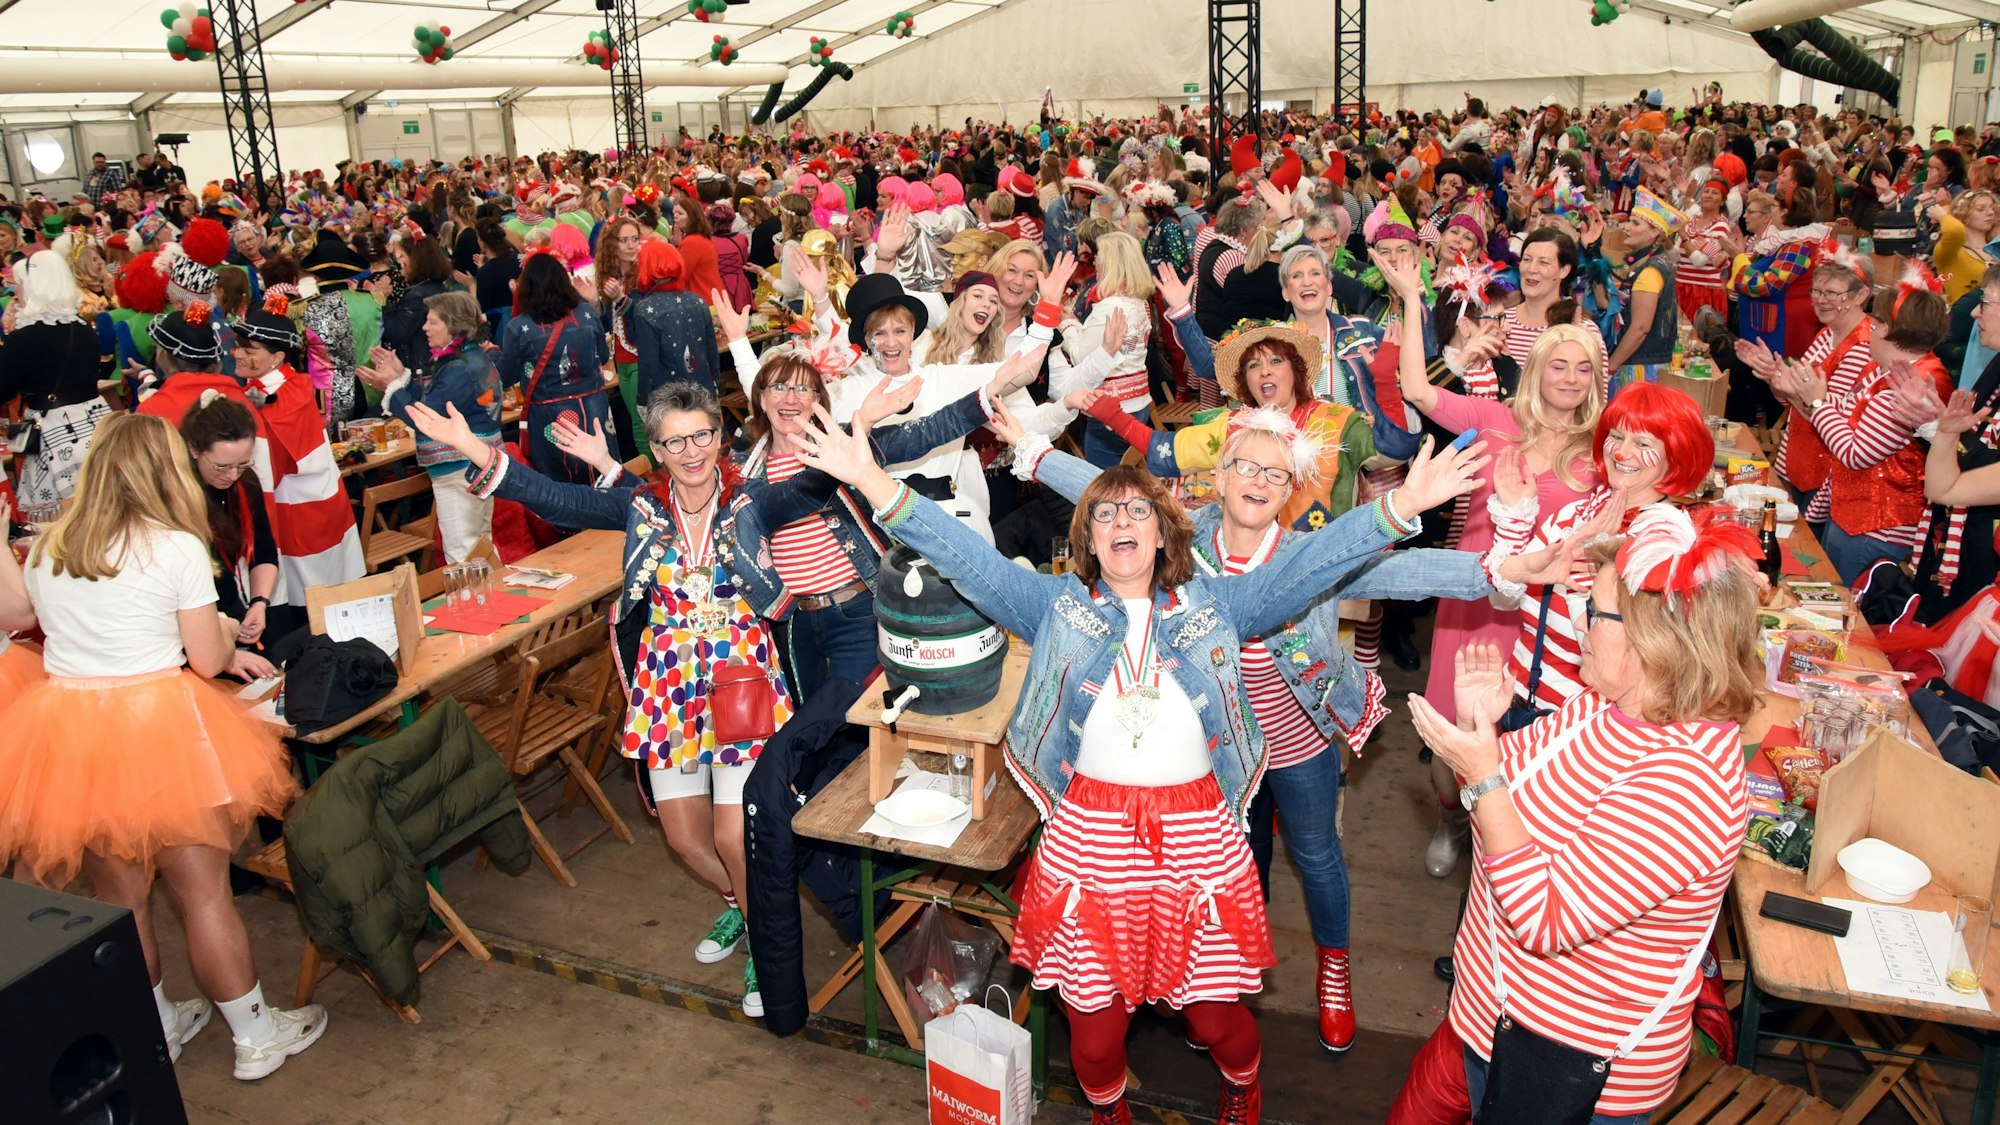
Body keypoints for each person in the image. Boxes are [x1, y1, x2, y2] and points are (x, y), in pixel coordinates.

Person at [792, 402, 1488, 1125]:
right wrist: (873, 481)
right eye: (1105, 514)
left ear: (1164, 532)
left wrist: (1402, 503)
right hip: (1088, 840)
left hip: (1197, 836)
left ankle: (1244, 1082)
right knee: (1093, 1034)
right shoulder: (1053, 605)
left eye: (1138, 512)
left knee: (1218, 1018)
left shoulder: (1219, 604)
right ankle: (1109, 1112)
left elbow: (1315, 561)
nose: (1122, 523)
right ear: (1088, 539)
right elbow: (966, 557)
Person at [1004, 406, 1576, 1056]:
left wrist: (1498, 571)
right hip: (1221, 756)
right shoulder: (1179, 548)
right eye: (1244, 464)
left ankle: (1335, 969)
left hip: (1300, 740)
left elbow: (1399, 572)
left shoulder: (1308, 553)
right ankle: (1216, 988)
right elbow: (1113, 496)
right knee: (1241, 866)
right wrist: (1034, 451)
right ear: (1217, 478)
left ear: (1290, 488)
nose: (1257, 478)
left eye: (1274, 472)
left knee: (1318, 854)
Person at [1392, 505, 1762, 1124]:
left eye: (1597, 611)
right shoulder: (1604, 706)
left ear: (1658, 638)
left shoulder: (1686, 780)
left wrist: (1481, 771)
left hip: (1573, 1073)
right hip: (1502, 1022)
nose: (1577, 620)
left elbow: (1545, 919)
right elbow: (1499, 786)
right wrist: (1477, 730)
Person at [0, 412, 326, 1080]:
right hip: (160, 729)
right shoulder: (173, 546)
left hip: (71, 735)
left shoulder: (52, 547)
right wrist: (222, 634)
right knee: (203, 894)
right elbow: (206, 660)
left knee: (122, 899)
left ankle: (159, 1025)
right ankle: (256, 1034)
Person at [1767, 272, 1953, 583]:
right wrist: (1811, 394)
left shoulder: (1910, 384)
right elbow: (1848, 409)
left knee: (1848, 613)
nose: (1871, 331)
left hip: (1875, 526)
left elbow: (1856, 454)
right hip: (1854, 515)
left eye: (1876, 325)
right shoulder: (1890, 373)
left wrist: (1817, 403)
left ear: (1889, 331)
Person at [230, 293, 364, 611]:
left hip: (302, 519)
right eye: (239, 347)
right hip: (321, 508)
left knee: (315, 610)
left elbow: (266, 472)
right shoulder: (293, 384)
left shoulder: (274, 403)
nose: (237, 355)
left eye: (249, 351)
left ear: (276, 357)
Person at [356, 291, 503, 562]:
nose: (424, 327)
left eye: (432, 321)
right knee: (480, 547)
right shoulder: (467, 360)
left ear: (453, 323)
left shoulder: (459, 368)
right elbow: (432, 401)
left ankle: (476, 604)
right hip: (474, 466)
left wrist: (391, 386)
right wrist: (401, 377)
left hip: (459, 471)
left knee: (463, 555)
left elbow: (427, 420)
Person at [176, 391, 282, 682]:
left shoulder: (244, 485)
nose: (232, 475)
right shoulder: (177, 499)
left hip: (231, 616)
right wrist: (224, 653)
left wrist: (259, 603)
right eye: (221, 466)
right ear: (194, 449)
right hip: (189, 632)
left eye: (243, 463)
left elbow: (263, 551)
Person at [0, 250, 113, 505]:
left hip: (53, 433)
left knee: (56, 517)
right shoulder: (84, 330)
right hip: (96, 426)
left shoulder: (24, 338)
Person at [497, 252, 614, 487]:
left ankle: (570, 525)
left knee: (562, 485)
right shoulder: (587, 314)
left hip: (551, 416)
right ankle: (614, 518)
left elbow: (505, 376)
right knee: (605, 473)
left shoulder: (519, 327)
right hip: (594, 408)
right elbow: (602, 356)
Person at [1601, 189, 1685, 395]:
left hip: (1638, 370)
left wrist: (1610, 367)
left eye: (1635, 224)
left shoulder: (1650, 270)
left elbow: (1640, 327)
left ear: (1654, 232)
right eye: (1629, 221)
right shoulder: (1650, 263)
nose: (1627, 228)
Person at [627, 240, 719, 406]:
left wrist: (643, 400)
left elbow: (648, 363)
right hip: (704, 392)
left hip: (670, 400)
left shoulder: (646, 309)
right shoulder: (697, 301)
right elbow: (712, 350)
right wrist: (715, 384)